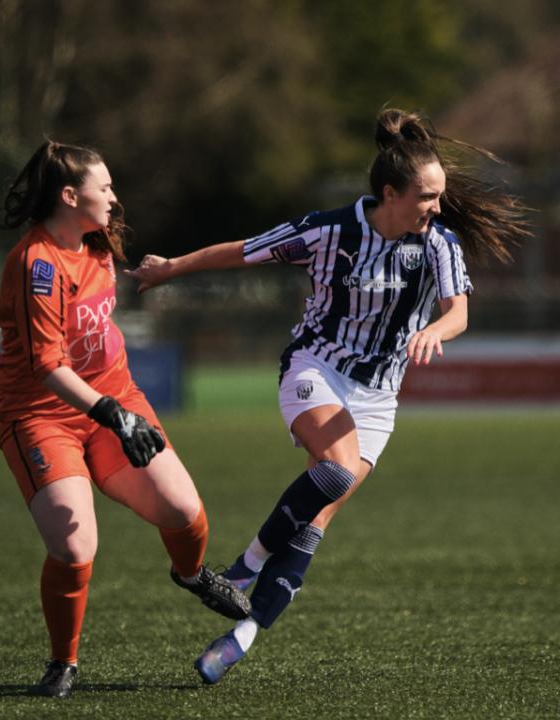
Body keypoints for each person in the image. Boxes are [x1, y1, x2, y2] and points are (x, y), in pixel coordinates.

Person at [127, 108, 530, 684]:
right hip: (316, 369)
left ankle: (242, 635)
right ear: (390, 194)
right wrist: (170, 269)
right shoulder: (329, 231)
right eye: (427, 197)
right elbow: (242, 252)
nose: (438, 207)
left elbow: (458, 312)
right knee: (336, 471)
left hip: (379, 398)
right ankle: (244, 567)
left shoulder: (438, 244)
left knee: (316, 522)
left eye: (439, 196)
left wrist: (435, 331)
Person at [0, 140, 250, 699]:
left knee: (184, 511)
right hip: (42, 415)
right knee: (75, 545)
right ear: (69, 196)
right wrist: (112, 415)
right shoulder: (38, 265)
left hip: (114, 397)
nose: (113, 197)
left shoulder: (97, 240)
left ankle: (190, 574)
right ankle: (63, 662)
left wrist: (159, 272)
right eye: (103, 187)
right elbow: (46, 367)